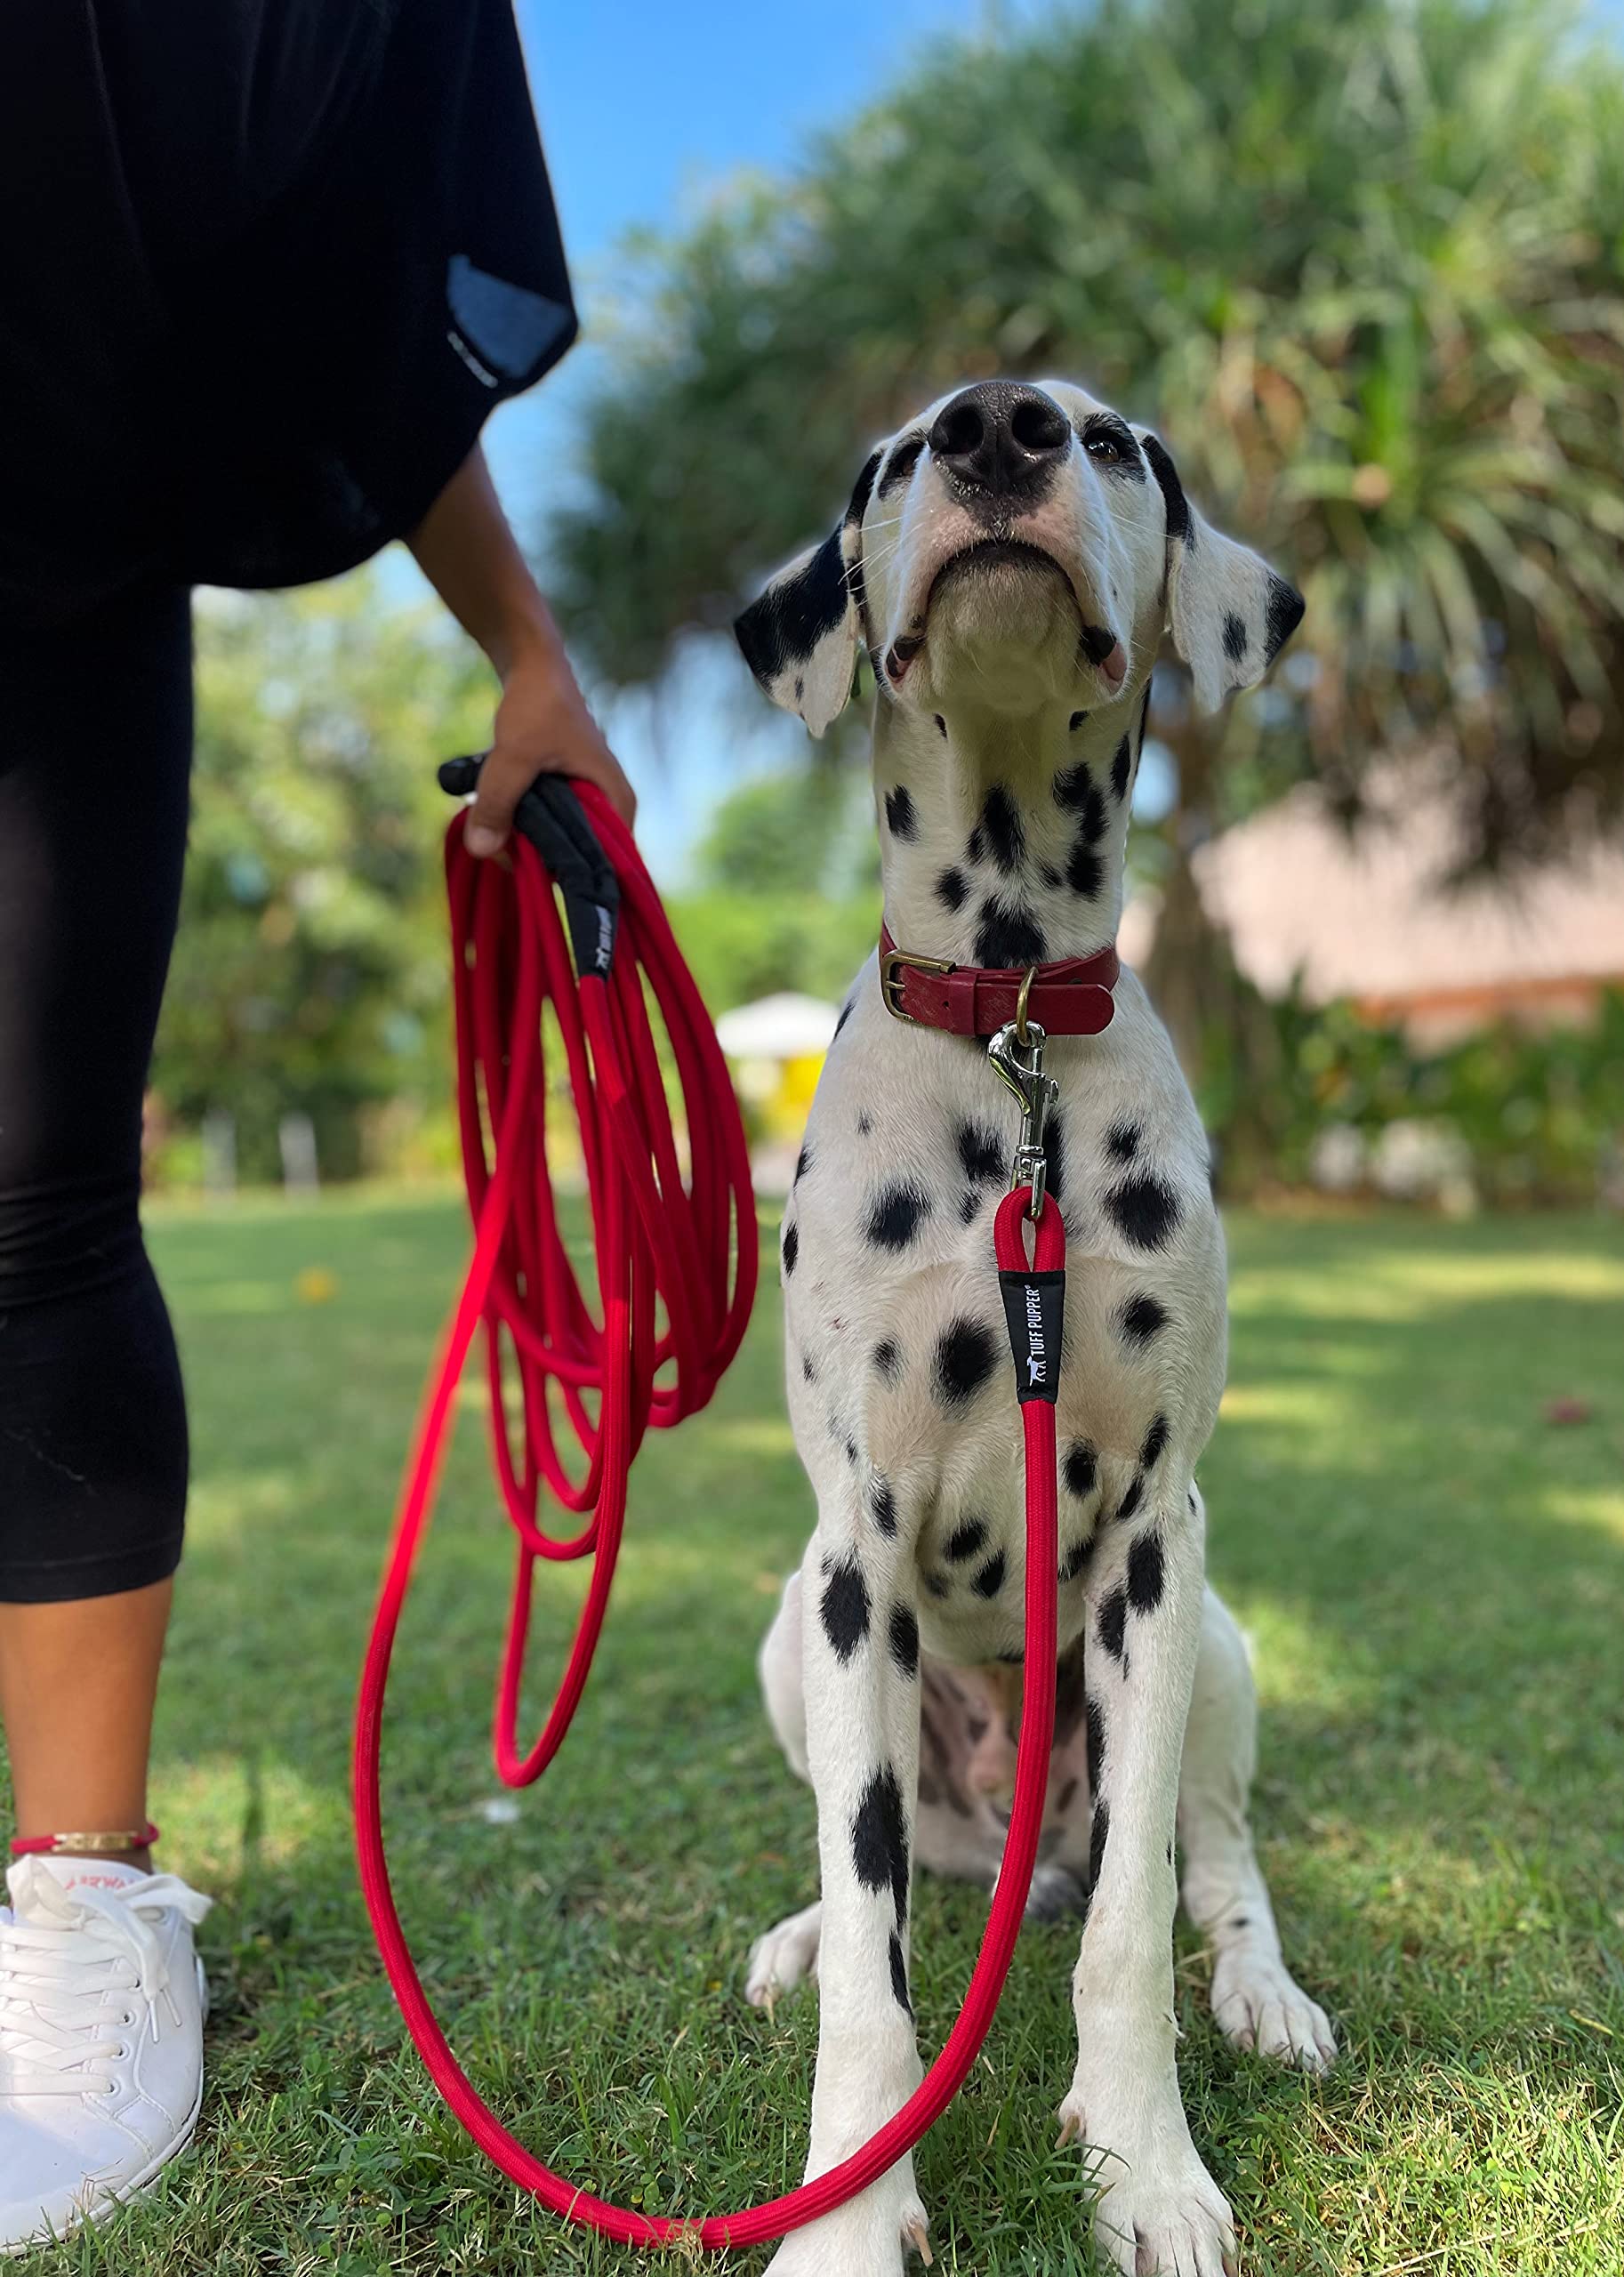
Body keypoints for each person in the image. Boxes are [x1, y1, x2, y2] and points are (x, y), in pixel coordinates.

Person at [0, 2, 631, 2246]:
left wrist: (524, 647)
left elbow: (352, 320)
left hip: (43, 574)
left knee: (33, 1209)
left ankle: (82, 1886)